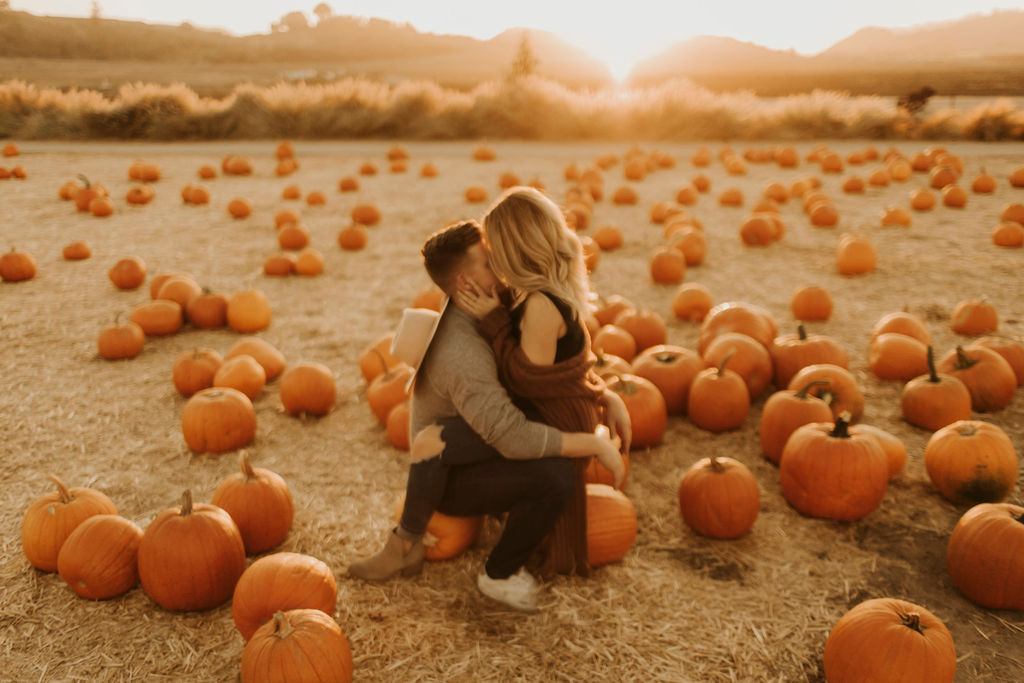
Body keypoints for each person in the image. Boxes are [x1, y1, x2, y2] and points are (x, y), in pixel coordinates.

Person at [348, 219, 629, 612]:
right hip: (453, 477)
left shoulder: (494, 303)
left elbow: (538, 370)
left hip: (466, 440)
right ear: (464, 283)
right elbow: (511, 437)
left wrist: (601, 395)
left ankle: (406, 540)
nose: (501, 266)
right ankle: (498, 574)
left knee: (517, 432)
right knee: (557, 476)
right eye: (488, 261)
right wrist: (593, 442)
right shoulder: (461, 352)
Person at [455, 186, 619, 578]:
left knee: (487, 444)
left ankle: (526, 529)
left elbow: (528, 380)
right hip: (562, 408)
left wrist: (493, 320)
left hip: (558, 419)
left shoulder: (541, 306)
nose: (489, 258)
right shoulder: (541, 289)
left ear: (514, 251)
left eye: (493, 250)